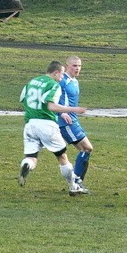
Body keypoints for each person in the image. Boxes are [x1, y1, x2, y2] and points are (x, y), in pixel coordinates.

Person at [18, 61, 89, 196]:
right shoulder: (54, 85)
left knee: (31, 157)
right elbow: (51, 106)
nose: (62, 77)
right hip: (46, 124)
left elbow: (22, 99)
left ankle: (26, 165)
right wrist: (74, 109)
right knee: (62, 157)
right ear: (56, 73)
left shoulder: (32, 81)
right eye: (61, 74)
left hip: (30, 124)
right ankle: (73, 186)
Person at [57, 55, 94, 191]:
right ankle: (76, 181)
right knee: (87, 148)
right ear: (67, 66)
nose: (77, 68)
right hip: (66, 122)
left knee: (84, 151)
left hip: (73, 120)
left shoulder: (75, 81)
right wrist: (62, 112)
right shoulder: (62, 81)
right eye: (74, 65)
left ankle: (76, 182)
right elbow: (52, 99)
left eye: (79, 66)